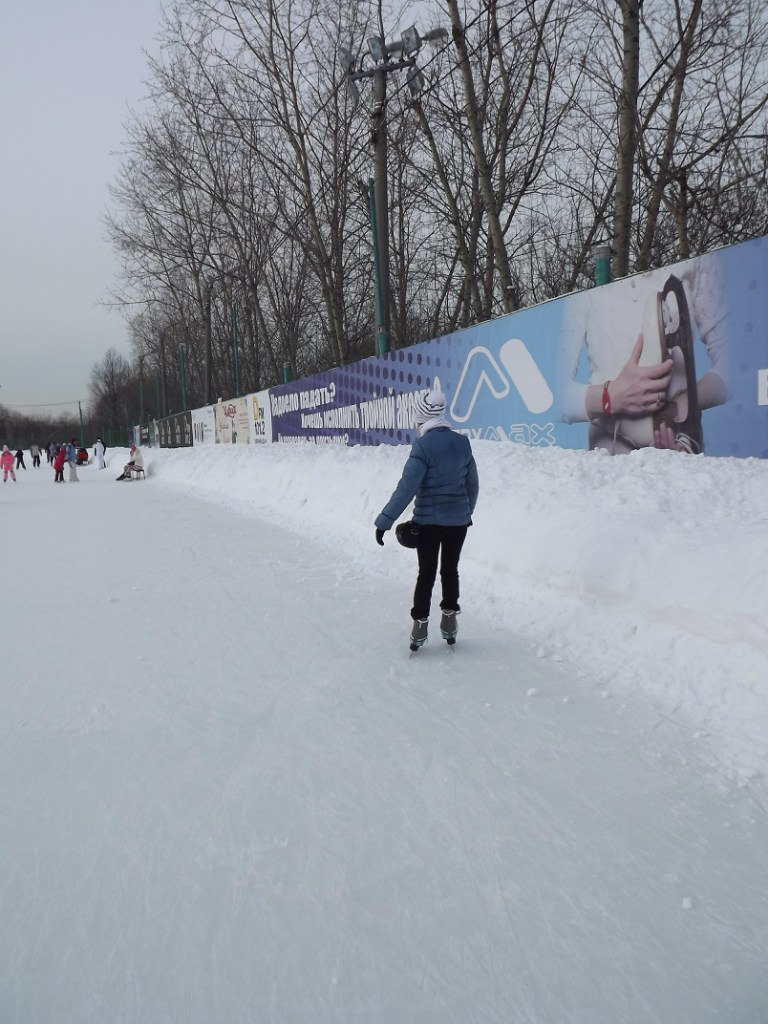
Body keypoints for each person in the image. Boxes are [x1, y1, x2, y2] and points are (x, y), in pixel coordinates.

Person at [558, 252, 728, 455]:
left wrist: (685, 403)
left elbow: (736, 364)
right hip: (609, 446)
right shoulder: (583, 297)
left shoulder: (699, 264)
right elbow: (553, 397)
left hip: (680, 442)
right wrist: (608, 396)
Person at [374, 387, 479, 651]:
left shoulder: (423, 446)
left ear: (421, 417)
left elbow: (406, 488)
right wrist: (466, 512)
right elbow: (472, 485)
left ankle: (420, 626)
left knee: (427, 573)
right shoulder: (462, 442)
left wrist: (384, 521)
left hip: (429, 524)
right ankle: (449, 620)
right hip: (458, 524)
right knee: (450, 570)